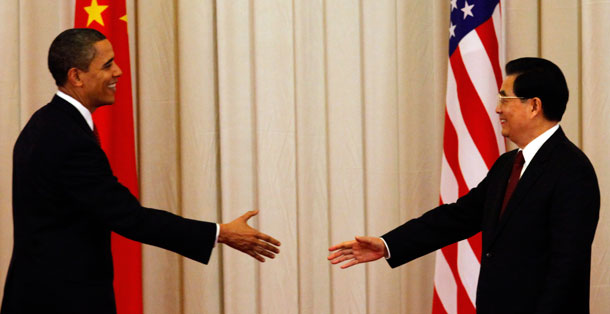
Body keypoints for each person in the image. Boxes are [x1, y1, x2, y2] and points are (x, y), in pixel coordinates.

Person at [1, 28, 280, 314]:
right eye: (107, 65)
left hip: (37, 295)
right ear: (76, 76)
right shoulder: (68, 138)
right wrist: (220, 233)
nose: (119, 72)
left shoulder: (46, 123)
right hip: (60, 301)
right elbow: (130, 217)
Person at [328, 58, 600, 313]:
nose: (497, 108)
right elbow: (457, 217)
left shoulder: (572, 171)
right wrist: (388, 244)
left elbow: (567, 269)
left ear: (534, 106)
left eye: (505, 98)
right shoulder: (507, 165)